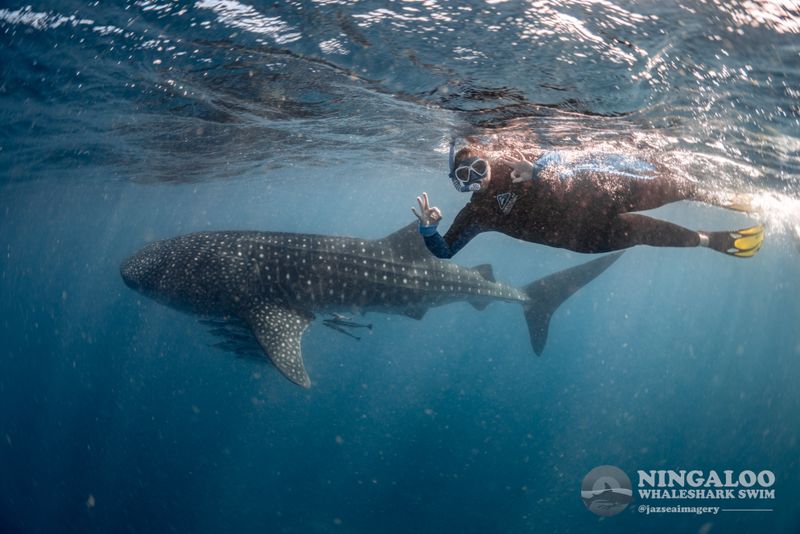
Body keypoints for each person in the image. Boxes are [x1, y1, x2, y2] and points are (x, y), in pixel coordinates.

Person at [412, 140, 764, 258]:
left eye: (476, 167)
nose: (475, 178)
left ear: (487, 159)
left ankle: (724, 197)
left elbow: (556, 157)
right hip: (582, 237)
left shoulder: (510, 161)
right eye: (464, 176)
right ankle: (712, 241)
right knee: (644, 233)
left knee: (664, 187)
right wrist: (429, 231)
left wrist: (537, 171)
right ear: (457, 183)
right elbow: (446, 251)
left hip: (593, 196)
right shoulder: (477, 214)